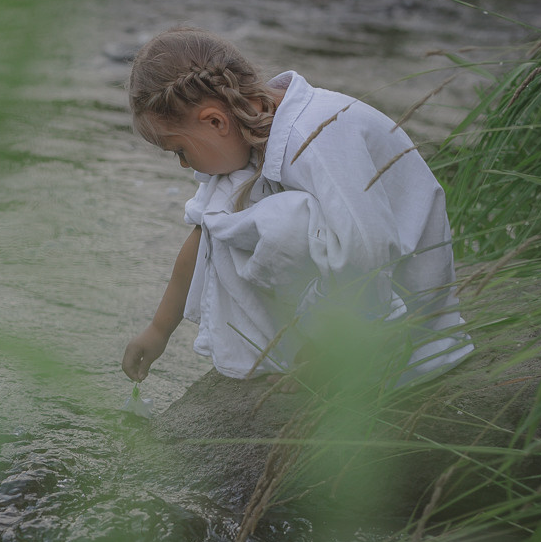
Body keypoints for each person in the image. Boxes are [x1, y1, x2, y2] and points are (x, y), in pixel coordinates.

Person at [120, 27, 473, 389]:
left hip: (401, 304)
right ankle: (306, 345)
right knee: (225, 207)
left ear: (215, 121)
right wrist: (158, 329)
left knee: (282, 221)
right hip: (356, 284)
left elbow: (367, 252)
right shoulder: (249, 131)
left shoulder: (316, 137)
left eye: (180, 150)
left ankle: (360, 352)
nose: (183, 164)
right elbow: (204, 234)